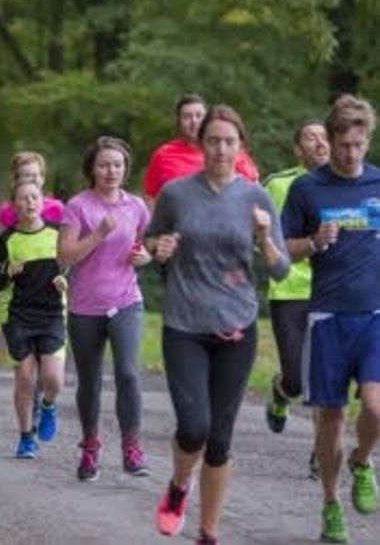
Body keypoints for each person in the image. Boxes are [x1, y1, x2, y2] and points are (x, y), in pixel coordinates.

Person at [146, 105, 290, 545]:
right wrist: (160, 247)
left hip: (237, 329)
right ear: (201, 144)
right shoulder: (175, 193)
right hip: (185, 325)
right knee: (194, 428)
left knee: (221, 440)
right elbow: (151, 241)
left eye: (230, 141)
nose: (221, 149)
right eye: (213, 140)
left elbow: (281, 270)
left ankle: (208, 531)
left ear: (240, 146)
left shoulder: (256, 198)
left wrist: (265, 238)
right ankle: (177, 485)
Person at [281, 94, 380, 544]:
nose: (351, 154)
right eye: (344, 145)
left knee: (376, 407)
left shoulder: (379, 183)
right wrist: (315, 241)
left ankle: (362, 461)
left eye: (359, 145)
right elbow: (282, 250)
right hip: (327, 315)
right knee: (332, 418)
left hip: (375, 313)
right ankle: (331, 502)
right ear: (331, 141)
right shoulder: (308, 189)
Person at [57, 137, 152, 480]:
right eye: (103, 165)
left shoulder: (136, 206)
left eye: (117, 165)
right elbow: (64, 257)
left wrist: (146, 256)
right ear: (92, 169)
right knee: (90, 381)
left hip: (126, 300)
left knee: (127, 373)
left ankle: (131, 447)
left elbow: (143, 245)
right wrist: (97, 234)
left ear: (125, 169)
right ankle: (90, 447)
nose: (111, 171)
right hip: (86, 306)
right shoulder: (78, 206)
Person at [263, 119, 330, 480]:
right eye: (310, 137)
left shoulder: (344, 186)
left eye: (324, 136)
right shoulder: (278, 184)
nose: (319, 142)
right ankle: (280, 389)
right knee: (297, 380)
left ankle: (321, 453)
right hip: (288, 288)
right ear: (297, 149)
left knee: (321, 377)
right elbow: (260, 232)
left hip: (330, 290)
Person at [0, 179, 67, 459]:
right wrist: (8, 271)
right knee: (25, 377)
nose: (30, 202)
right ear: (15, 205)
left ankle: (48, 405)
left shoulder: (58, 234)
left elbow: (75, 269)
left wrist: (64, 281)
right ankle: (25, 437)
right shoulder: (7, 239)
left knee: (53, 378)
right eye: (24, 198)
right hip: (19, 315)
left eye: (35, 197)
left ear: (43, 202)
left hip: (52, 314)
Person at [143, 94, 260, 207]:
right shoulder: (164, 155)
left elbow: (255, 194)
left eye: (199, 115)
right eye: (187, 117)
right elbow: (150, 197)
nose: (194, 121)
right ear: (178, 122)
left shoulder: (231, 154)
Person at [0, 151, 64, 228]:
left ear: (43, 179)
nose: (33, 180)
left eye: (36, 175)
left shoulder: (56, 208)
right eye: (27, 175)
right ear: (15, 181)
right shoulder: (8, 212)